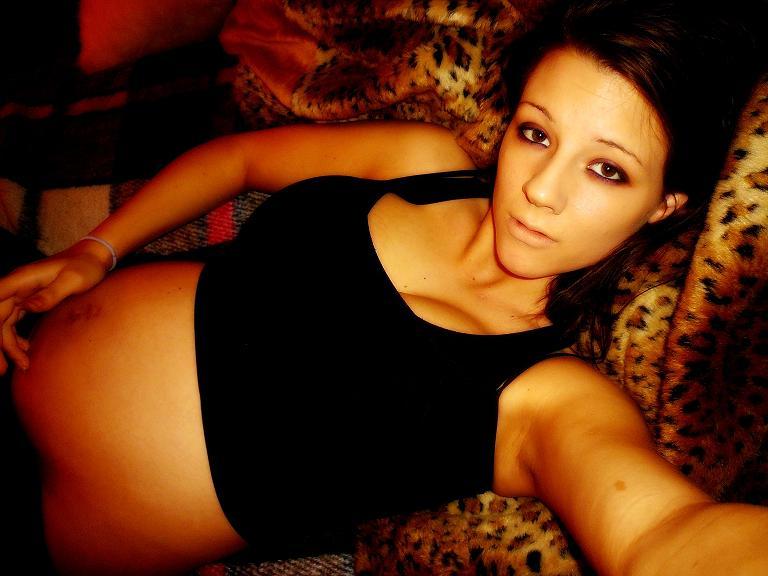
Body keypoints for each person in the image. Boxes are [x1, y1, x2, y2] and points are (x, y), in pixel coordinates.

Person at [1, 0, 767, 574]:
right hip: (28, 312)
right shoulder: (421, 162)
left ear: (664, 204)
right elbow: (240, 160)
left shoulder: (548, 397)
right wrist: (94, 252)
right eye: (536, 133)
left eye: (606, 169)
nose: (541, 189)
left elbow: (661, 537)